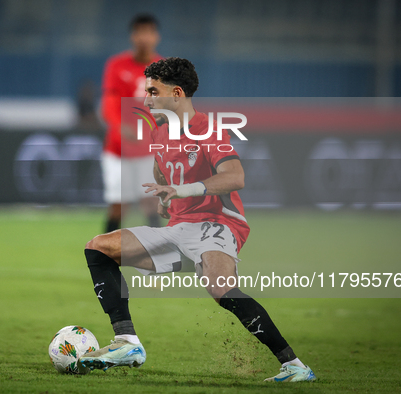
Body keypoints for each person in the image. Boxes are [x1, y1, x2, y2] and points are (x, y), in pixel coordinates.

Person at [80, 57, 316, 383]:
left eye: (153, 90)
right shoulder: (159, 132)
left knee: (220, 287)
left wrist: (182, 189)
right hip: (179, 229)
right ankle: (127, 342)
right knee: (98, 248)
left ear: (176, 94)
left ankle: (294, 366)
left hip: (216, 226)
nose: (145, 98)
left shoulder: (209, 130)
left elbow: (235, 176)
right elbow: (161, 169)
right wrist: (166, 197)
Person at [100, 13, 162, 233]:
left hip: (147, 152)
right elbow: (108, 104)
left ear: (157, 37)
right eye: (140, 32)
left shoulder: (164, 69)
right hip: (118, 150)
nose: (144, 37)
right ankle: (105, 256)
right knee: (118, 206)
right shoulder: (116, 65)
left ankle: (158, 252)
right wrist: (120, 127)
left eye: (149, 32)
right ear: (132, 36)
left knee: (151, 205)